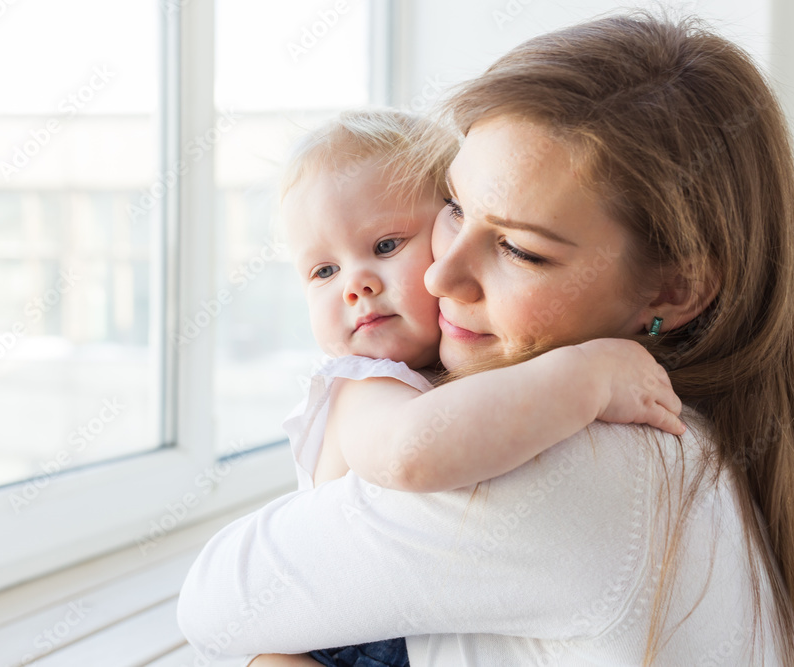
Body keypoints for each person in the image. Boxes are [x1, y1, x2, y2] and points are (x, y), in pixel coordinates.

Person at [178, 12, 794, 666]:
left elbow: (212, 601)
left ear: (673, 291)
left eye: (520, 250)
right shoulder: (695, 435)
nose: (438, 277)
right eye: (457, 207)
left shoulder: (579, 469)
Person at [248, 109, 685, 667]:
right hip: (348, 644)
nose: (356, 285)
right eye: (323, 272)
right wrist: (587, 376)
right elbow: (413, 453)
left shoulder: (476, 373)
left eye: (386, 246)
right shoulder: (362, 385)